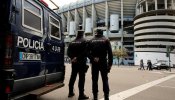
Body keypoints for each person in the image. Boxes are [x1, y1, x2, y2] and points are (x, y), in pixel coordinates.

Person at [88, 29, 113, 100]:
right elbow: (110, 54)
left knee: (94, 80)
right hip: (103, 62)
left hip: (94, 63)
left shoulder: (91, 40)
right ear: (102, 33)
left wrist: (93, 58)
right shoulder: (106, 40)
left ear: (96, 33)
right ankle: (106, 96)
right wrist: (110, 64)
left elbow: (87, 52)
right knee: (105, 79)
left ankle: (95, 96)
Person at [67, 30, 89, 100]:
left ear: (77, 34)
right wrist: (78, 57)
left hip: (74, 63)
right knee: (81, 78)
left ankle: (70, 93)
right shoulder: (85, 41)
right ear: (83, 34)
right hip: (81, 63)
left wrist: (73, 58)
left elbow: (68, 52)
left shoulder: (72, 42)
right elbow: (86, 52)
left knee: (73, 77)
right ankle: (81, 95)